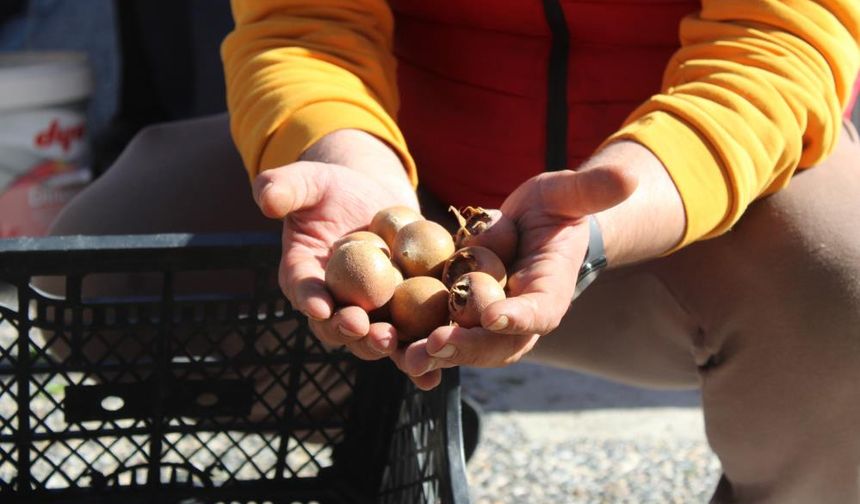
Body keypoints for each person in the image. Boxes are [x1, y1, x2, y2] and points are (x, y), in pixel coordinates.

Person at [49, 0, 860, 502]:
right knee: (95, 272)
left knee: (846, 283)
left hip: (672, 212)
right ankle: (389, 415)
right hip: (408, 193)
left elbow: (778, 47)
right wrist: (345, 157)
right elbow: (302, 26)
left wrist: (617, 204)